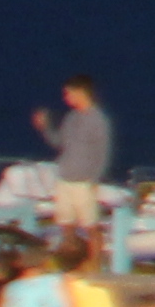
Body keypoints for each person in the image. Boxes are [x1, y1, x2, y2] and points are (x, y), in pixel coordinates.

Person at [37, 85, 116, 237]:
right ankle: (71, 258)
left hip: (84, 183)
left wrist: (94, 179)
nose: (65, 98)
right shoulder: (71, 117)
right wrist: (45, 127)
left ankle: (94, 260)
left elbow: (102, 152)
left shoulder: (98, 119)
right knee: (66, 225)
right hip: (65, 180)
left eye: (69, 94)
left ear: (81, 93)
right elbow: (59, 142)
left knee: (91, 227)